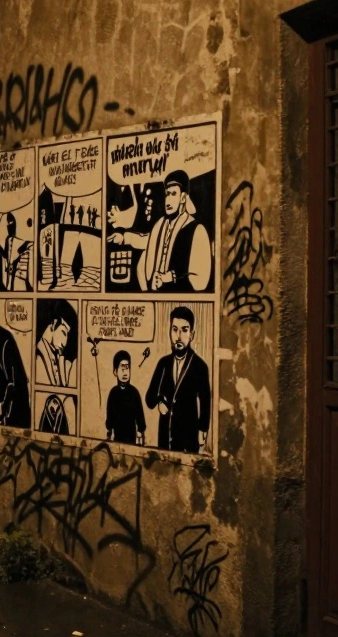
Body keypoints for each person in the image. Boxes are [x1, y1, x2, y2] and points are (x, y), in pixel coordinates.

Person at [108, 170, 213, 292]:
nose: (168, 199)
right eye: (167, 194)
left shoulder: (196, 230)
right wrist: (123, 238)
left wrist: (171, 277)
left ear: (183, 198)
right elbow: (148, 240)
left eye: (173, 194)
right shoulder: (161, 225)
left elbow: (200, 280)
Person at [145, 306, 211, 453]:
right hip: (165, 439)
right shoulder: (163, 363)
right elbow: (149, 399)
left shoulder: (200, 366)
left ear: (192, 335)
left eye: (184, 330)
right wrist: (160, 400)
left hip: (188, 438)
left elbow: (206, 402)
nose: (179, 336)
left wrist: (203, 430)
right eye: (175, 329)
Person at [105, 350, 146, 445]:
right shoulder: (113, 393)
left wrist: (140, 435)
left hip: (132, 442)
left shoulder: (134, 393)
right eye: (122, 369)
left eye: (127, 369)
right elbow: (109, 423)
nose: (125, 373)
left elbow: (141, 422)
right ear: (115, 371)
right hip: (116, 441)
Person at [35, 301, 77, 387]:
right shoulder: (37, 356)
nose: (64, 343)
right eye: (63, 333)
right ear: (54, 324)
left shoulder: (60, 358)